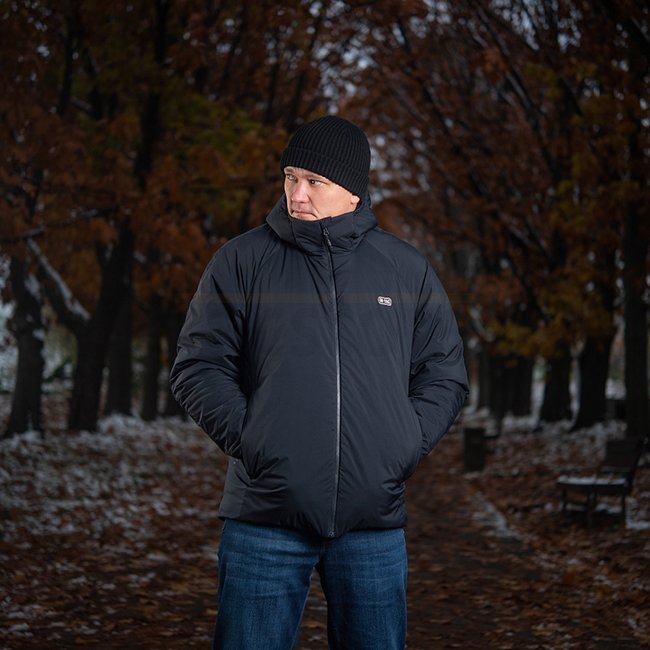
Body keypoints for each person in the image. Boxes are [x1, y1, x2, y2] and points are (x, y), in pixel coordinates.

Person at [170, 115, 469, 650]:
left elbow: (443, 372)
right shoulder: (241, 261)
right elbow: (198, 365)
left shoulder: (404, 270)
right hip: (264, 515)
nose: (297, 194)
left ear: (352, 191)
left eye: (314, 181)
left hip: (371, 525)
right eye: (290, 177)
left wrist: (401, 444)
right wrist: (254, 440)